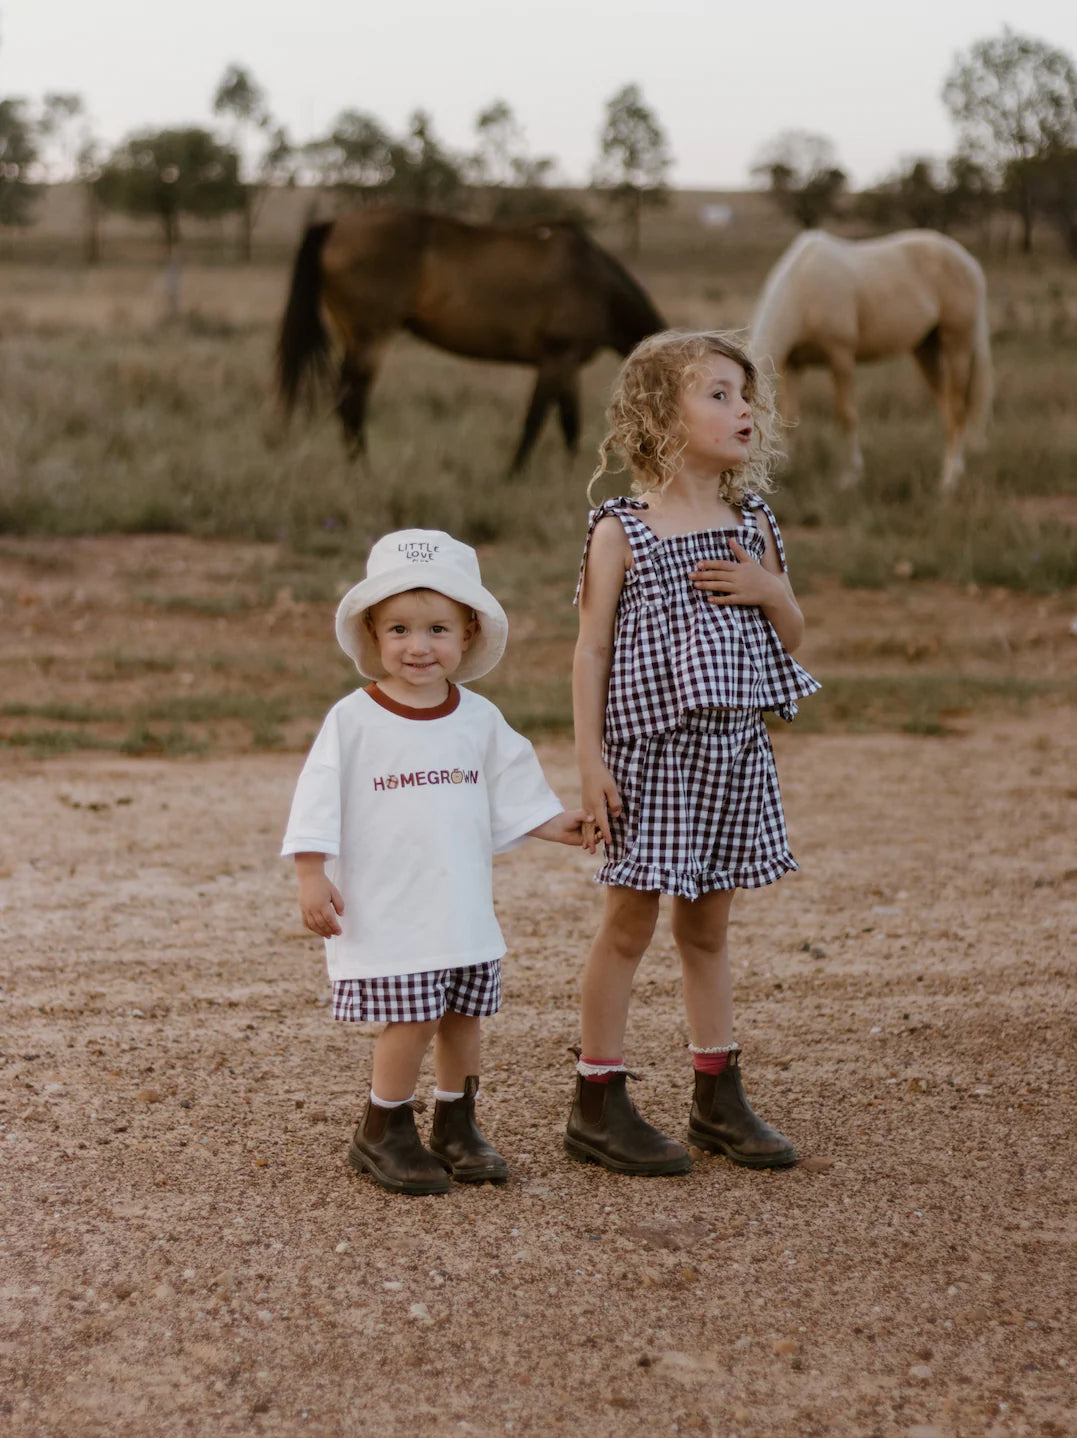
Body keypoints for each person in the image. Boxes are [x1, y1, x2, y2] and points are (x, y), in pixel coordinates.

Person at [567, 329, 820, 1177]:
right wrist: (589, 761)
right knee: (628, 924)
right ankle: (596, 1100)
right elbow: (591, 652)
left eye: (744, 395)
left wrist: (769, 590)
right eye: (716, 393)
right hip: (647, 759)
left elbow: (792, 634)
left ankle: (717, 1095)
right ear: (658, 414)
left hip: (731, 755)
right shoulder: (621, 531)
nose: (740, 408)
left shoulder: (751, 524)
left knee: (707, 930)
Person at [283, 529, 588, 1196]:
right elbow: (316, 799)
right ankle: (382, 1129)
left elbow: (515, 792)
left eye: (437, 629)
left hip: (458, 906)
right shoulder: (354, 720)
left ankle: (456, 1123)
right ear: (373, 633)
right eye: (398, 628)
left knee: (460, 1016)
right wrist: (311, 873)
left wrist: (561, 824)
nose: (418, 646)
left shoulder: (477, 720)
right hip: (392, 906)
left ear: (468, 634)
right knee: (412, 1016)